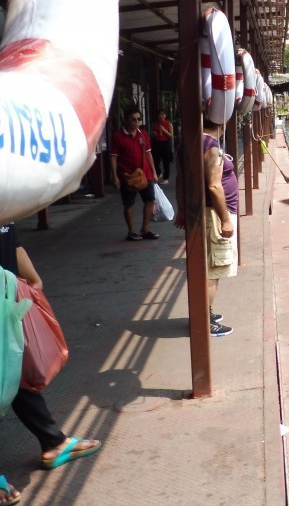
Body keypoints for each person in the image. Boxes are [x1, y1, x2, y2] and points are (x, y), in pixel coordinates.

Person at [0, 223, 101, 489]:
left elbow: (12, 237)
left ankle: (53, 442)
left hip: (6, 300)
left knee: (13, 370)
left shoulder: (7, 194)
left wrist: (32, 277)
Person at [173, 119, 237, 337]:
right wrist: (225, 219)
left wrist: (181, 209)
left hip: (201, 212)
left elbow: (181, 179)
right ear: (222, 121)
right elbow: (214, 185)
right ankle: (204, 320)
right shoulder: (211, 146)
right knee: (213, 270)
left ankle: (204, 313)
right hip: (213, 215)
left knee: (207, 267)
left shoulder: (187, 144)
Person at [109, 108, 160, 241]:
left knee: (150, 200)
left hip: (145, 174)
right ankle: (131, 231)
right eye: (133, 119)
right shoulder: (118, 137)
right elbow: (113, 157)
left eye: (139, 119)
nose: (136, 122)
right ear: (126, 120)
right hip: (128, 177)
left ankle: (145, 229)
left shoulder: (143, 134)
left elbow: (148, 153)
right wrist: (115, 176)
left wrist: (154, 171)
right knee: (128, 203)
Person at [150, 109, 174, 185]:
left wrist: (164, 131)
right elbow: (151, 133)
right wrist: (153, 134)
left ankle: (166, 177)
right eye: (159, 115)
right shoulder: (154, 124)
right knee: (155, 159)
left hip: (165, 143)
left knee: (166, 161)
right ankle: (158, 172)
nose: (161, 116)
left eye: (162, 115)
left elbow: (171, 136)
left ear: (165, 116)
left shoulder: (168, 124)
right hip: (157, 142)